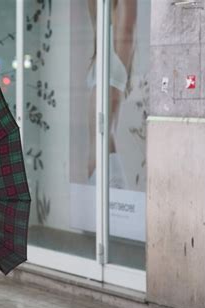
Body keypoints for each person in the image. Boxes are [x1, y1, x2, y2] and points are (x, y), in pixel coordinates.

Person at [86, 0, 137, 189]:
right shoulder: (101, 41)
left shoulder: (116, 54)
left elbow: (128, 27)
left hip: (107, 175)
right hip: (97, 171)